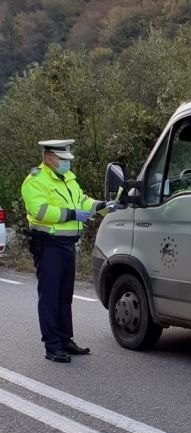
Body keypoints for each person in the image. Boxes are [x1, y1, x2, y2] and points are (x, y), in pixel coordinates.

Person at [21, 139, 116, 363]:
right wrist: (72, 215)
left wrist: (102, 206)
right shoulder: (35, 181)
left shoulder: (67, 179)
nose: (67, 164)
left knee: (64, 296)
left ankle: (65, 339)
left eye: (67, 160)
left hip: (67, 245)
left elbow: (82, 200)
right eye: (63, 160)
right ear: (49, 158)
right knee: (50, 297)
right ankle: (52, 346)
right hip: (48, 245)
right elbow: (41, 210)